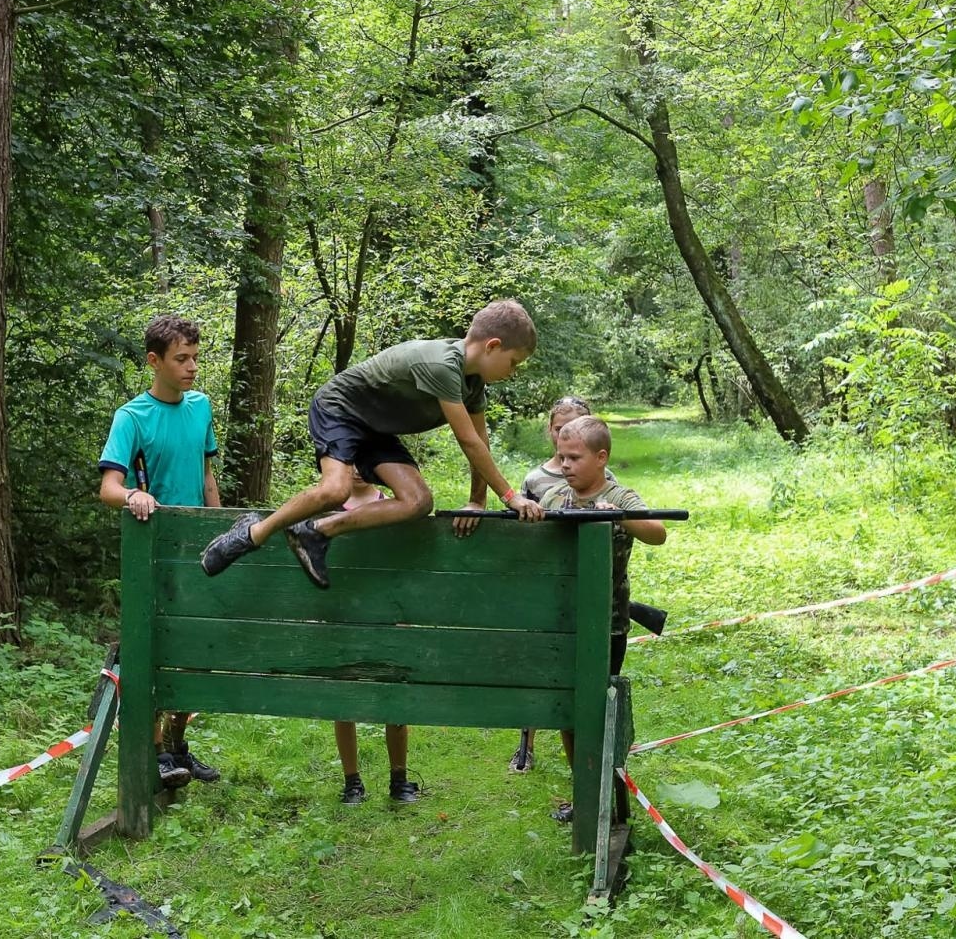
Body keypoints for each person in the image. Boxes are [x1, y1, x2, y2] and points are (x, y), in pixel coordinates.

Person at [200, 299, 546, 588]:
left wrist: (476, 501)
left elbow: (480, 441)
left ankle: (315, 532)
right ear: (492, 346)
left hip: (375, 428)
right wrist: (511, 497)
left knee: (418, 501)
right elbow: (468, 441)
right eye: (513, 362)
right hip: (339, 408)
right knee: (335, 490)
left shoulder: (473, 384)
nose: (513, 372)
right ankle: (253, 532)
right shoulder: (442, 365)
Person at [98, 314, 224, 791]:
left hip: (197, 550)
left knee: (193, 652)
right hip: (153, 552)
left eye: (195, 358)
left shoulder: (201, 406)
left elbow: (207, 477)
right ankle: (153, 755)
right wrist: (133, 494)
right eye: (181, 359)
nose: (192, 367)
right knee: (156, 652)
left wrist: (223, 534)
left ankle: (177, 746)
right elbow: (109, 487)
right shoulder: (131, 417)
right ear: (154, 361)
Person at [538, 415, 667, 823]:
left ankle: (606, 798)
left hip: (607, 624)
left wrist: (617, 515)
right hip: (563, 621)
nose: (566, 465)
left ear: (601, 457)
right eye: (561, 457)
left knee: (599, 713)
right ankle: (587, 795)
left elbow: (657, 533)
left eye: (575, 457)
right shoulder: (554, 497)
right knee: (568, 712)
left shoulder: (620, 495)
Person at [509, 395, 615, 776]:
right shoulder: (541, 483)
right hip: (549, 591)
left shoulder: (610, 486)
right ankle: (528, 744)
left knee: (588, 694)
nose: (566, 459)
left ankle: (592, 776)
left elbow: (644, 531)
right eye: (558, 431)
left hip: (594, 598)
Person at [332, 479, 418, 804]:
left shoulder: (393, 505)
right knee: (343, 699)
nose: (357, 469)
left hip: (386, 614)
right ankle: (352, 782)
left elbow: (403, 563)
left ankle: (399, 779)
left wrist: (402, 614)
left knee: (394, 697)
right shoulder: (327, 506)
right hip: (343, 615)